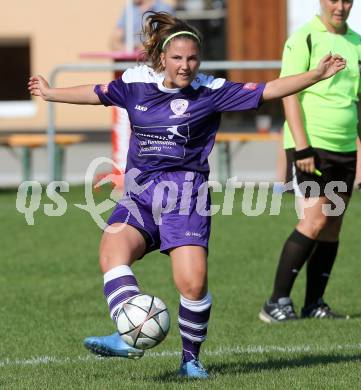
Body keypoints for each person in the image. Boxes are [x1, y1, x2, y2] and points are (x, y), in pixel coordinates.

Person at [29, 11, 345, 379]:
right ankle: (130, 331)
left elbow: (267, 89)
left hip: (185, 199)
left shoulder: (210, 91)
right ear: (162, 58)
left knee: (193, 283)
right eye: (177, 58)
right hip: (141, 195)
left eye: (192, 58)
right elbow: (97, 93)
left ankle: (190, 361)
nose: (185, 65)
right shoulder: (135, 83)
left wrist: (315, 76)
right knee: (112, 252)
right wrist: (50, 93)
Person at [260, 0, 361, 323]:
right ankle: (275, 302)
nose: (341, 6)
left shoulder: (357, 43)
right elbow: (288, 94)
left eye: (347, 0)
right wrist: (301, 147)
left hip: (345, 146)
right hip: (311, 145)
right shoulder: (302, 38)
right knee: (315, 220)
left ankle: (314, 303)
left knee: (332, 224)